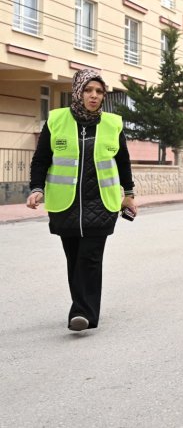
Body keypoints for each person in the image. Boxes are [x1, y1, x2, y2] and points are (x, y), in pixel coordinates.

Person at [26, 69, 137, 332]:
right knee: (74, 257)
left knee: (89, 257)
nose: (94, 96)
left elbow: (123, 162)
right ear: (78, 92)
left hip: (102, 203)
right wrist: (36, 188)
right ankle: (83, 307)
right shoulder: (56, 120)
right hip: (66, 204)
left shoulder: (112, 124)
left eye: (99, 91)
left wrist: (129, 195)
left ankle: (82, 313)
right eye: (89, 90)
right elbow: (41, 159)